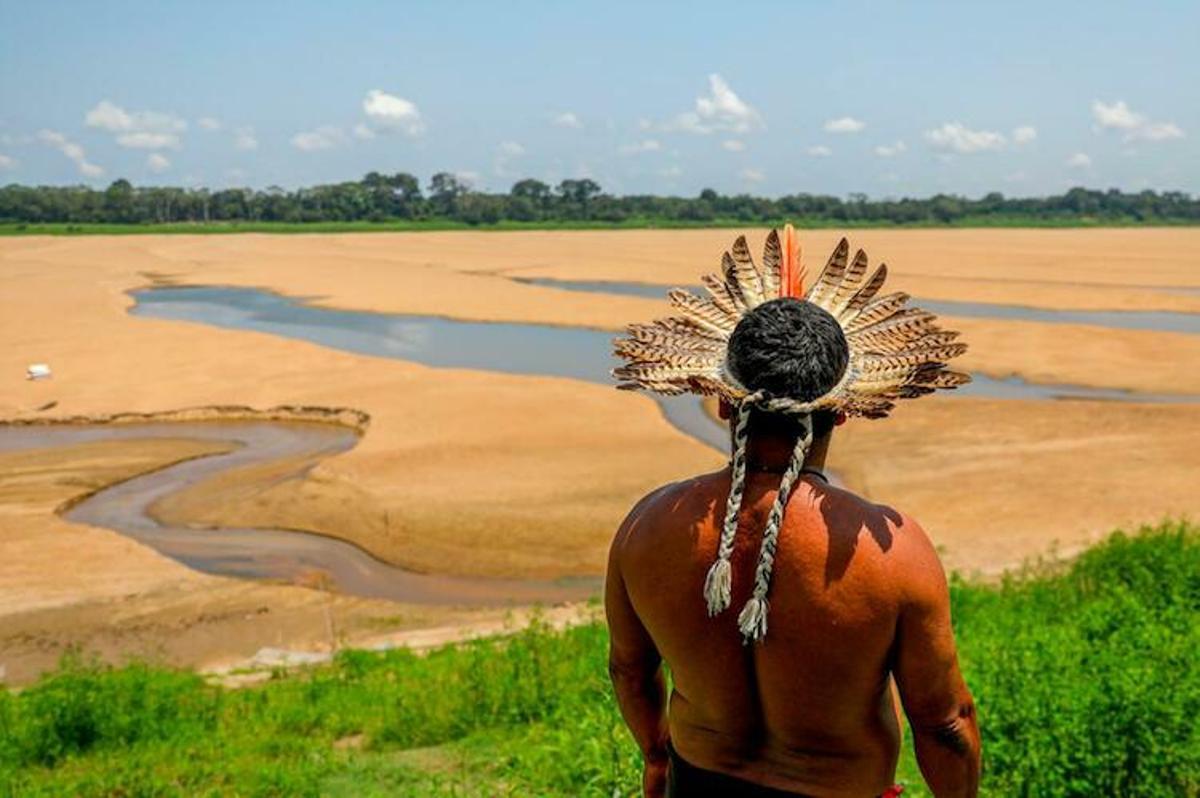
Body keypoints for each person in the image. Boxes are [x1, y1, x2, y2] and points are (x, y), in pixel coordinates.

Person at [607, 228, 981, 797]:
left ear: (723, 401)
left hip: (699, 783)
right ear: (846, 410)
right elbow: (945, 721)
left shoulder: (648, 526)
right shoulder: (894, 554)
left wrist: (658, 756)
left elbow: (630, 671)